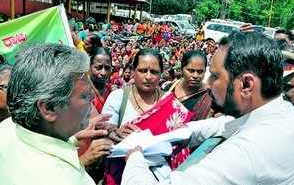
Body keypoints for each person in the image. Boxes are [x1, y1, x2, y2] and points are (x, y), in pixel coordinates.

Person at [121, 32, 294, 185]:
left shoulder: (247, 152)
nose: (207, 84)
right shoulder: (282, 111)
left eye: (215, 76)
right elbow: (226, 124)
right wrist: (173, 135)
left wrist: (135, 157)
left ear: (246, 84)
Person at [0, 44, 111, 185]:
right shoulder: (71, 179)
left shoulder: (4, 130)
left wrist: (70, 140)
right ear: (48, 108)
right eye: (85, 96)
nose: (92, 100)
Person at [102, 48, 195, 185]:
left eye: (154, 72)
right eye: (143, 70)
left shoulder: (171, 103)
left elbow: (181, 144)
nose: (148, 76)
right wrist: (115, 133)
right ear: (133, 71)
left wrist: (144, 139)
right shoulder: (118, 98)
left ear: (161, 74)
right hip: (121, 175)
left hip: (161, 177)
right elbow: (103, 134)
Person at [164, 50, 213, 121]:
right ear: (182, 69)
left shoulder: (210, 97)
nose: (195, 76)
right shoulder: (169, 88)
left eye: (200, 71)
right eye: (191, 71)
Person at [89, 47, 113, 114]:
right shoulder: (81, 92)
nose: (103, 73)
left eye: (107, 68)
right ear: (89, 66)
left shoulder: (111, 91)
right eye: (98, 68)